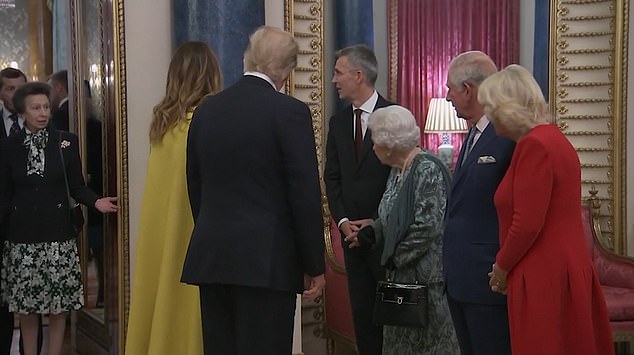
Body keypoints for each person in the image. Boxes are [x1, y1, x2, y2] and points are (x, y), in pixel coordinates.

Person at [181, 26, 325, 355]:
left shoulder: (207, 110)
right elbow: (303, 192)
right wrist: (314, 264)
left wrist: (212, 228)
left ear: (248, 57)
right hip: (268, 262)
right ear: (287, 71)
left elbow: (195, 183)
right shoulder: (290, 112)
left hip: (214, 255)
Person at [479, 64, 614, 355]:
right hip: (561, 269)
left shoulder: (534, 145)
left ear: (507, 107)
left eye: (490, 106)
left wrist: (501, 268)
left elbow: (526, 223)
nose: (488, 116)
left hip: (543, 274)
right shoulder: (554, 139)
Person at [0, 82, 118, 355]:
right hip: (22, 238)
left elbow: (76, 187)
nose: (42, 113)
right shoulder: (9, 146)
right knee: (27, 308)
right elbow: (4, 194)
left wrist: (95, 201)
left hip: (58, 237)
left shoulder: (66, 142)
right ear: (22, 111)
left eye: (45, 107)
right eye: (35, 108)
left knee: (58, 306)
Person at [125, 41, 223, 355]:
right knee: (189, 303)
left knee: (162, 291)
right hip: (194, 229)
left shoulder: (163, 124)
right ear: (211, 75)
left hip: (162, 231)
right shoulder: (207, 124)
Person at [354, 105, 459, 355]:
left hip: (426, 286)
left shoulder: (427, 169)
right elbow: (392, 215)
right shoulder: (399, 170)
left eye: (375, 142)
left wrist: (393, 257)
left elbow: (427, 227)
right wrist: (374, 231)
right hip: (402, 281)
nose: (372, 148)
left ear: (389, 146)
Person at [441, 51, 515, 355]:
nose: (447, 97)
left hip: (488, 282)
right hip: (461, 280)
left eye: (450, 89)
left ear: (468, 89)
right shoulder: (473, 136)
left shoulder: (506, 135)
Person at [323, 44, 394, 355]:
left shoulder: (395, 116)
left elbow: (402, 179)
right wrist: (342, 223)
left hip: (387, 241)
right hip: (351, 239)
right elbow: (333, 177)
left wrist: (378, 224)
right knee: (362, 320)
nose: (334, 80)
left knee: (392, 324)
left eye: (338, 73)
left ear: (358, 74)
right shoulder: (337, 123)